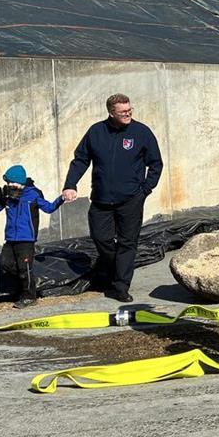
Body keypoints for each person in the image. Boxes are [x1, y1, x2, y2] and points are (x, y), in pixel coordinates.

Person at [62, 94, 163, 303]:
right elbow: (81, 159)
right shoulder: (96, 132)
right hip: (101, 199)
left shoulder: (141, 132)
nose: (128, 114)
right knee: (101, 238)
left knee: (128, 243)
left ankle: (121, 287)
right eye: (122, 111)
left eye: (130, 110)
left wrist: (145, 190)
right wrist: (70, 184)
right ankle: (114, 269)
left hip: (131, 199)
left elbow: (155, 164)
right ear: (111, 113)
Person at [0, 165, 64, 307]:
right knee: (5, 264)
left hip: (26, 239)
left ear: (20, 182)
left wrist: (62, 198)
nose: (9, 185)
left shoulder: (33, 195)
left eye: (12, 182)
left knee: (24, 268)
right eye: (8, 182)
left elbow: (49, 208)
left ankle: (30, 296)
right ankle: (24, 285)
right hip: (10, 238)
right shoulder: (7, 195)